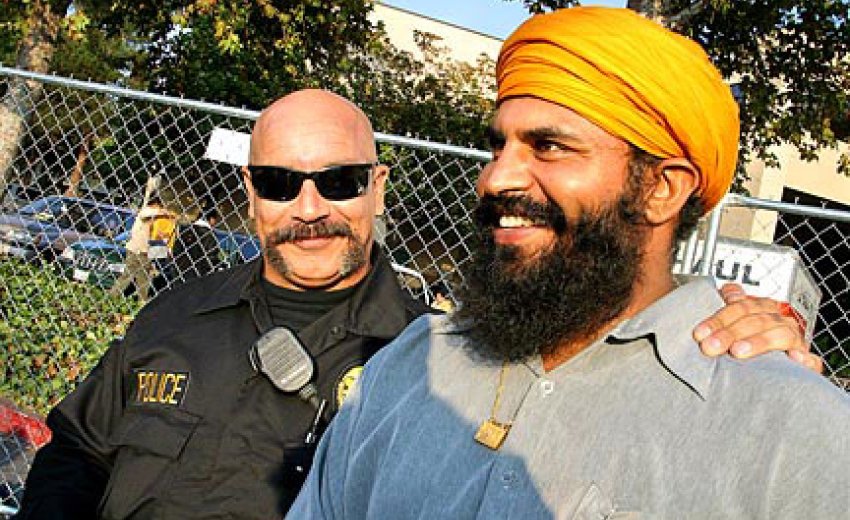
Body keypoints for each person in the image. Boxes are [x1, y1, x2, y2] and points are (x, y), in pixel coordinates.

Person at [15, 88, 817, 519]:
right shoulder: (173, 313)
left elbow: (598, 387)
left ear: (377, 187)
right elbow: (76, 449)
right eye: (280, 183)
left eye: (338, 181)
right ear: (251, 193)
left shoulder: (436, 364)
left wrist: (731, 347)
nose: (308, 209)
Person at [289, 8, 849, 519]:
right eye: (498, 147)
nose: (496, 178)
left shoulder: (792, 429)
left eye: (550, 147)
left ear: (662, 189)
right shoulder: (412, 363)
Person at [108, 197, 169, 301]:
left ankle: (134, 298)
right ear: (156, 204)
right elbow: (149, 215)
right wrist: (167, 212)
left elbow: (157, 236)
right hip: (139, 250)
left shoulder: (151, 216)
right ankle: (117, 296)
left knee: (140, 278)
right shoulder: (148, 212)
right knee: (135, 277)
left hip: (140, 250)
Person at [169, 209, 224, 283]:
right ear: (211, 219)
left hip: (179, 272)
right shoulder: (209, 234)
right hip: (198, 276)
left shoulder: (185, 230)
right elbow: (211, 256)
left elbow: (175, 250)